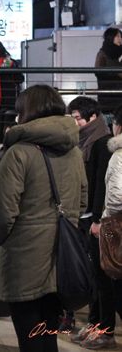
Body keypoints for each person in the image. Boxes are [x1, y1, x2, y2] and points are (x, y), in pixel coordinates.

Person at [0, 85, 87, 352]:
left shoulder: (19, 152)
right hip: (63, 258)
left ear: (26, 112)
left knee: (29, 338)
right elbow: (82, 199)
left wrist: (2, 241)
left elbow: (0, 211)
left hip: (25, 258)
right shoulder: (74, 152)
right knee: (48, 337)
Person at [67, 96, 116, 348]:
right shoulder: (86, 141)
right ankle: (96, 323)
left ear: (92, 117)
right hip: (87, 218)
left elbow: (101, 186)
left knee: (102, 277)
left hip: (97, 221)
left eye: (78, 118)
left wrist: (97, 218)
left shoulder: (101, 143)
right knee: (94, 276)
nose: (75, 123)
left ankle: (105, 329)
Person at [98, 105, 122, 349]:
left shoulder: (118, 155)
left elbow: (115, 196)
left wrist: (105, 220)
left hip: (117, 226)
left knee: (115, 282)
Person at [95, 27, 122, 116]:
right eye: (117, 36)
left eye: (121, 37)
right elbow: (98, 72)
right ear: (111, 38)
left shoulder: (118, 54)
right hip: (108, 98)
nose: (120, 39)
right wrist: (117, 74)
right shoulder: (103, 53)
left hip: (118, 96)